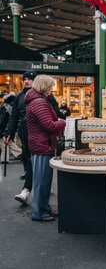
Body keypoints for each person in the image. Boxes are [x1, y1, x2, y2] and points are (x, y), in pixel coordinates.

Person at [25, 75, 66, 221]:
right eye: (50, 86)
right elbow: (49, 125)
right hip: (42, 145)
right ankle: (38, 213)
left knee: (44, 182)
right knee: (41, 183)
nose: (51, 89)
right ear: (44, 86)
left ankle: (45, 209)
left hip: (41, 144)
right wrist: (62, 123)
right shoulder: (39, 102)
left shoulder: (38, 100)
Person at [4, 70, 37, 204]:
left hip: (38, 134)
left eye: (29, 79)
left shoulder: (43, 95)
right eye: (25, 79)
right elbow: (14, 116)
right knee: (26, 157)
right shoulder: (20, 96)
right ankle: (36, 182)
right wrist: (8, 132)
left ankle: (26, 190)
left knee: (32, 162)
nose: (26, 81)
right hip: (24, 133)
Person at [0, 92, 22, 163]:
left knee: (6, 142)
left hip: (6, 128)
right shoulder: (14, 104)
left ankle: (21, 153)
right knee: (6, 142)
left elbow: (4, 119)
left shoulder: (6, 106)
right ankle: (5, 158)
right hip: (12, 127)